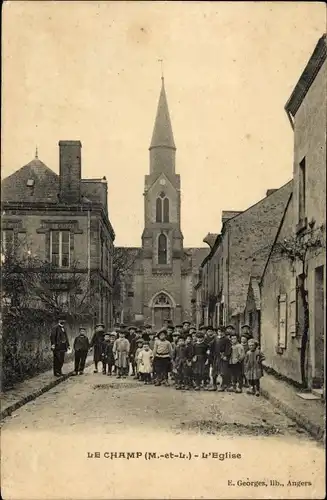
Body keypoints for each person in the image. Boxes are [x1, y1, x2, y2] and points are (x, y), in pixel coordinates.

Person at [211, 326, 232, 391]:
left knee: (223, 372)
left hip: (222, 357)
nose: (220, 333)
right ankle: (214, 385)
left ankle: (223, 385)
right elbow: (211, 345)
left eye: (222, 332)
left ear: (224, 332)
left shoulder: (226, 339)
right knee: (214, 372)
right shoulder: (215, 338)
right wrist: (210, 351)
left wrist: (225, 355)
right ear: (217, 332)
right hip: (216, 357)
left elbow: (228, 348)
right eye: (219, 331)